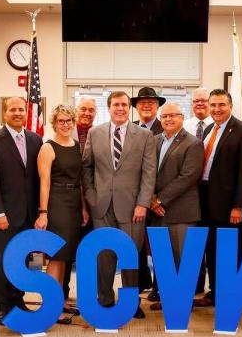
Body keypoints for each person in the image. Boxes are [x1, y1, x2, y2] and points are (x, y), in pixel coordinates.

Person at [82, 90, 157, 315]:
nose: (121, 108)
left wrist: (143, 203)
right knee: (104, 255)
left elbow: (149, 173)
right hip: (101, 206)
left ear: (129, 107)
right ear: (109, 107)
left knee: (130, 255)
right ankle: (104, 299)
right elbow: (86, 167)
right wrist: (92, 197)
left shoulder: (144, 136)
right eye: (116, 105)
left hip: (133, 207)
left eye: (124, 104)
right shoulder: (95, 133)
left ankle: (130, 302)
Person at [0, 96, 42, 323]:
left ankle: (19, 299)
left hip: (28, 214)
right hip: (5, 215)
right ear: (4, 114)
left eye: (21, 109)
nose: (17, 113)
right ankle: (2, 305)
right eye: (12, 110)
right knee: (4, 260)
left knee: (24, 261)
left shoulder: (36, 139)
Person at [194, 89, 242, 307]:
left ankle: (232, 297)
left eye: (221, 105)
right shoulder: (210, 129)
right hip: (207, 202)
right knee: (212, 250)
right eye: (213, 105)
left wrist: (239, 206)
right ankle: (215, 293)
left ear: (230, 106)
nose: (216, 109)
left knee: (231, 252)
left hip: (230, 206)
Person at [146, 102, 203, 311]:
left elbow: (188, 177)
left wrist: (160, 200)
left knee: (182, 260)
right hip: (157, 212)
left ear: (182, 117)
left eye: (173, 115)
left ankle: (181, 303)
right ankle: (168, 298)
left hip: (181, 212)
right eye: (165, 116)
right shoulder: (154, 141)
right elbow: (147, 172)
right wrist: (151, 199)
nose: (168, 119)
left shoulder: (193, 143)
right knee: (163, 260)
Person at [35, 104, 88, 323]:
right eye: (61, 121)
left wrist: (84, 207)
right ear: (54, 123)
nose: (65, 125)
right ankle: (51, 307)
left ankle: (60, 300)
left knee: (65, 256)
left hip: (75, 203)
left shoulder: (76, 145)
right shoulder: (48, 147)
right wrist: (43, 212)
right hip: (56, 203)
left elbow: (81, 181)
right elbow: (44, 183)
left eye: (69, 121)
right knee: (56, 257)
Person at [61, 96, 97, 299]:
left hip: (92, 202)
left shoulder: (100, 134)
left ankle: (88, 294)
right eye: (83, 109)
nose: (87, 113)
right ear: (76, 111)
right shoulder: (63, 134)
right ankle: (62, 294)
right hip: (66, 201)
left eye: (91, 110)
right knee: (64, 251)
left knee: (88, 250)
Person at [131, 87, 165, 299]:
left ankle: (158, 286)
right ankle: (140, 281)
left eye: (151, 102)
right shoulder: (130, 128)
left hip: (160, 199)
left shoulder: (167, 127)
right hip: (135, 198)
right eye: (142, 102)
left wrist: (154, 197)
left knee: (159, 244)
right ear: (135, 107)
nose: (146, 105)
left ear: (158, 106)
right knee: (137, 243)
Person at [182, 87, 214, 294]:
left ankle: (214, 287)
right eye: (196, 101)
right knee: (192, 241)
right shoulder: (183, 126)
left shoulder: (219, 127)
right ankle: (194, 285)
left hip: (210, 192)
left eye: (204, 101)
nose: (200, 104)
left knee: (211, 241)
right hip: (187, 193)